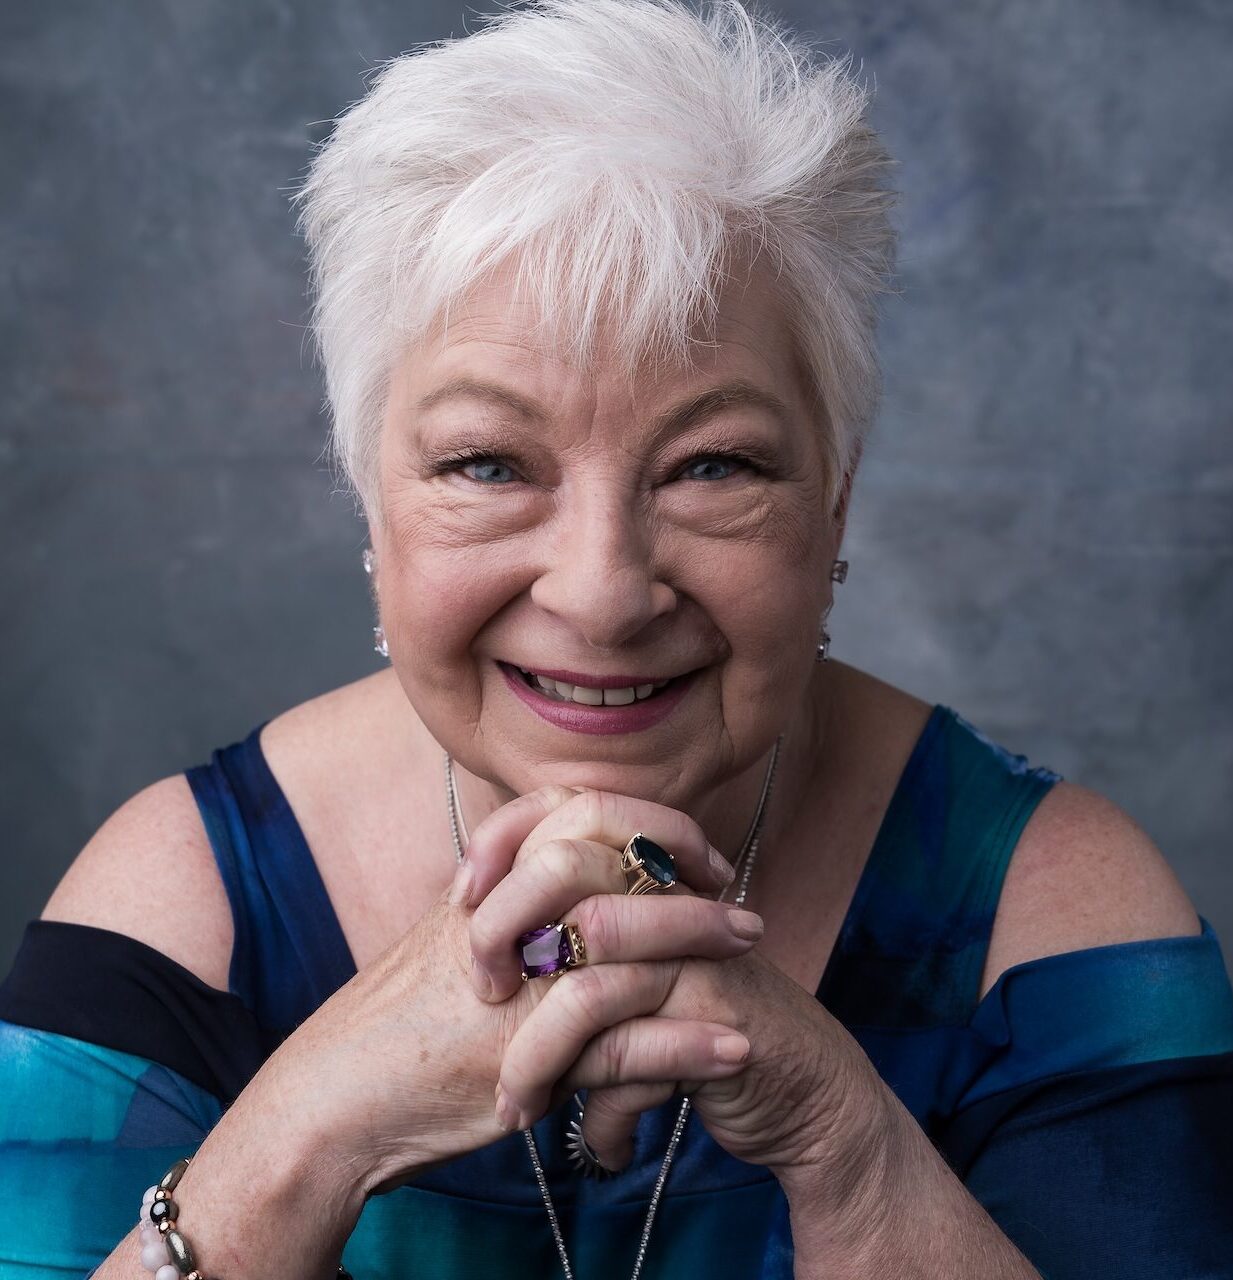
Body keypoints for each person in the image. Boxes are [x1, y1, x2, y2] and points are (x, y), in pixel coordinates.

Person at [2, 1, 1231, 1277]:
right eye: (487, 463)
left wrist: (850, 1152)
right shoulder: (184, 900)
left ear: (836, 497)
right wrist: (306, 1136)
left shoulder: (1056, 908)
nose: (602, 594)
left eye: (712, 465)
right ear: (373, 495)